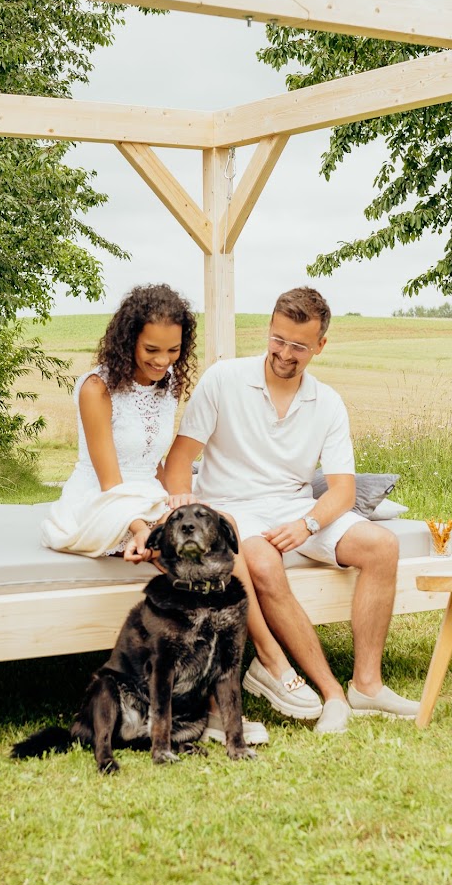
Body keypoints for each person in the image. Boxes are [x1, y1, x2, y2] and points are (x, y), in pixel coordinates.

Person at [41, 283, 322, 738]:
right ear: (128, 339)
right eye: (151, 349)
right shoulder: (96, 388)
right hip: (102, 503)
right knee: (191, 563)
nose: (162, 361)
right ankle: (258, 671)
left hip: (147, 497)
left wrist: (181, 501)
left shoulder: (169, 384)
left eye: (173, 351)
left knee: (223, 530)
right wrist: (144, 526)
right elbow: (111, 483)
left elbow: (157, 464)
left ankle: (239, 681)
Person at [162, 286, 418, 735]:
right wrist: (187, 511)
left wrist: (308, 524)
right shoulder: (224, 380)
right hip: (232, 507)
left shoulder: (327, 402)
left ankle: (367, 686)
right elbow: (180, 461)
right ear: (269, 329)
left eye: (299, 346)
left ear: (320, 345)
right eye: (278, 339)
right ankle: (329, 691)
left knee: (382, 545)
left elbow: (342, 491)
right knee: (262, 560)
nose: (284, 353)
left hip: (296, 508)